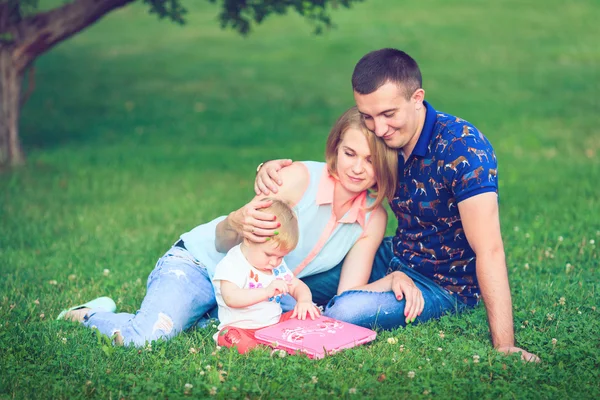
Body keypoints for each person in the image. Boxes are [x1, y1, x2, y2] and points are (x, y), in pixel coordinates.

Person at [253, 48, 540, 362]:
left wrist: (504, 345)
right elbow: (343, 168)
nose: (378, 128)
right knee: (289, 282)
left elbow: (490, 249)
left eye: (388, 114)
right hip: (392, 256)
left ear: (417, 98)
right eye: (368, 116)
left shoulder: (465, 150)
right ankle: (233, 307)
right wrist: (270, 171)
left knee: (346, 311)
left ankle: (298, 323)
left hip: (441, 284)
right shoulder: (384, 141)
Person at [57, 106, 402, 346]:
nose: (357, 167)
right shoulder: (298, 179)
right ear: (335, 149)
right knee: (147, 339)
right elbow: (225, 241)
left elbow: (344, 299)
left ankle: (204, 315)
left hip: (256, 290)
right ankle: (89, 314)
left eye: (371, 160)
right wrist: (235, 222)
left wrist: (389, 280)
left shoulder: (373, 218)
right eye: (349, 153)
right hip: (201, 265)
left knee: (291, 332)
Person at [213, 198, 320, 354]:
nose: (275, 262)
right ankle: (260, 350)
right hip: (241, 328)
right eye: (269, 254)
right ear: (249, 239)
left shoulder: (276, 267)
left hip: (274, 325)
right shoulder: (233, 264)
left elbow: (297, 286)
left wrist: (304, 300)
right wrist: (266, 292)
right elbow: (231, 298)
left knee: (307, 315)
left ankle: (289, 341)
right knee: (229, 335)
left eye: (281, 257)